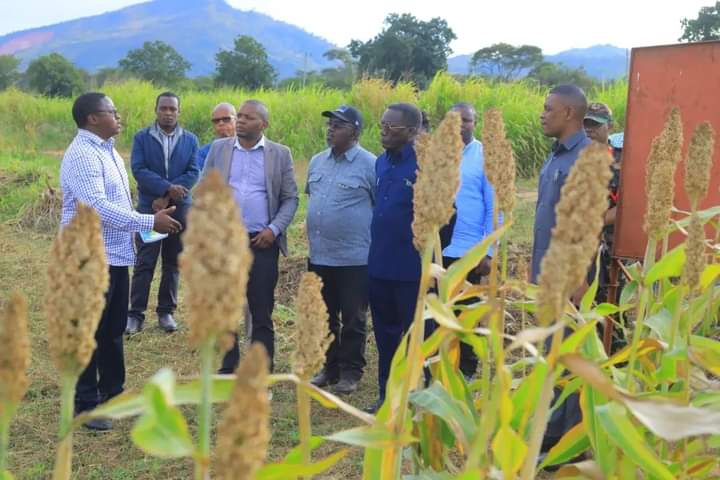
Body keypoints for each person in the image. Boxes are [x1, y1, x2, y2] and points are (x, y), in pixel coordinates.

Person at [60, 92, 181, 430]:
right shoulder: (83, 154)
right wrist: (147, 222)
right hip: (88, 256)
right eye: (112, 111)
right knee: (88, 331)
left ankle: (112, 395)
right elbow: (96, 207)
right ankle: (86, 405)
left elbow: (116, 202)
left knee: (112, 330)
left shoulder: (107, 150)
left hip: (113, 255)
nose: (119, 116)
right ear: (92, 119)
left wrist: (148, 215)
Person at [203, 99, 299, 373]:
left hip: (262, 242)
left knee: (260, 311)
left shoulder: (280, 154)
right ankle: (227, 368)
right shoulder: (219, 149)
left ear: (264, 124)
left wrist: (274, 229)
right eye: (240, 116)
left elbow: (290, 199)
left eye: (248, 117)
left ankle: (261, 373)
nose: (241, 121)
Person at [532, 84, 591, 456]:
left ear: (569, 113)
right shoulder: (555, 157)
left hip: (569, 276)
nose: (542, 114)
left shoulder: (585, 157)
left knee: (566, 355)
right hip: (546, 270)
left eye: (548, 108)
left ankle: (562, 442)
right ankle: (551, 429)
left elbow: (586, 223)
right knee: (550, 352)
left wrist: (580, 277)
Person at [305, 105, 376, 395]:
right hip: (320, 254)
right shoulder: (317, 162)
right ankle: (329, 368)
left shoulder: (370, 164)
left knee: (353, 317)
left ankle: (351, 371)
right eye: (330, 124)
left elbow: (379, 205)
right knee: (324, 315)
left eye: (339, 125)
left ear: (355, 132)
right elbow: (313, 198)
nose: (331, 129)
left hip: (355, 258)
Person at [126, 92, 200, 334]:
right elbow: (139, 169)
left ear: (179, 111)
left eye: (172, 109)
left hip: (179, 209)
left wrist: (167, 195)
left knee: (173, 261)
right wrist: (166, 188)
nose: (168, 113)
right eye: (163, 108)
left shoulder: (190, 140)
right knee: (145, 260)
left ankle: (166, 312)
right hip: (151, 210)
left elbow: (193, 172)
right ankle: (135, 314)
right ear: (156, 110)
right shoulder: (142, 138)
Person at [366, 103, 422, 413]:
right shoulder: (380, 164)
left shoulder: (425, 166)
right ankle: (386, 394)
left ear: (413, 131)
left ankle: (414, 396)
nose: (384, 131)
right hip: (379, 264)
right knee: (385, 337)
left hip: (411, 269)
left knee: (414, 337)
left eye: (392, 127)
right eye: (382, 125)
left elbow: (445, 218)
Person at [441, 102, 497, 380]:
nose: (461, 124)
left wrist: (488, 252)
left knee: (467, 316)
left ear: (474, 124)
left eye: (467, 120)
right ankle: (440, 366)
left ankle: (466, 371)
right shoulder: (436, 156)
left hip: (469, 252)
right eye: (455, 120)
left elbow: (493, 207)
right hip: (439, 252)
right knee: (438, 314)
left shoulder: (484, 157)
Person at [197, 102, 237, 171]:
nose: (221, 123)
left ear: (237, 120)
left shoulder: (248, 148)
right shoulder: (204, 153)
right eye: (216, 121)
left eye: (226, 119)